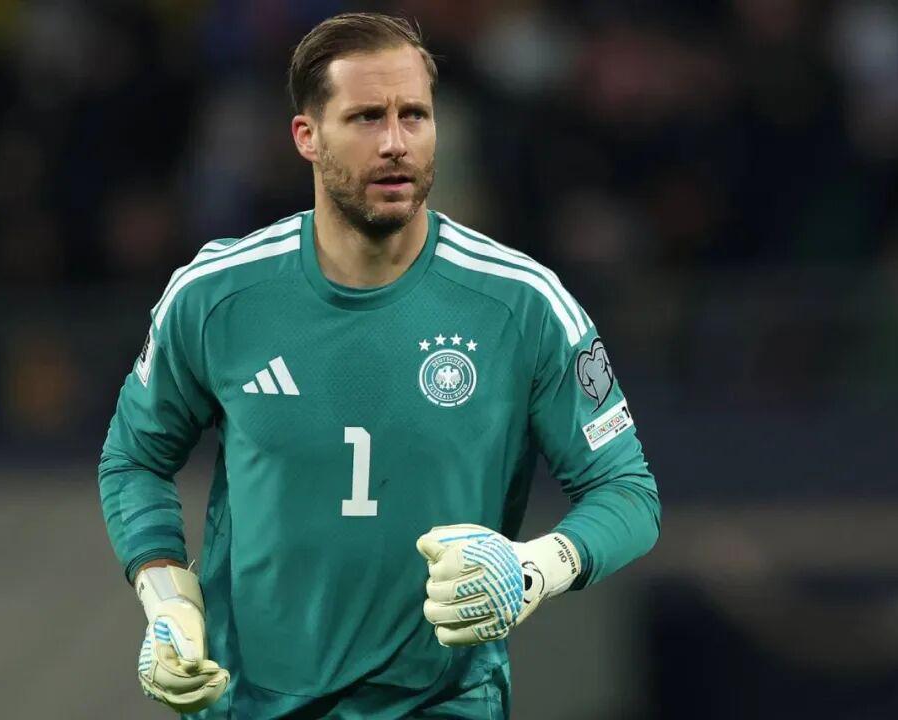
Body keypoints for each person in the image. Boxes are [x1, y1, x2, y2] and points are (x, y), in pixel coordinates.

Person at [98, 12, 660, 719]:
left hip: (442, 703)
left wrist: (533, 568)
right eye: (366, 117)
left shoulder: (524, 305)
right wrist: (167, 602)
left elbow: (627, 492)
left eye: (413, 115)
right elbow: (134, 459)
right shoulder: (216, 296)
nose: (396, 142)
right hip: (248, 702)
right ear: (307, 136)